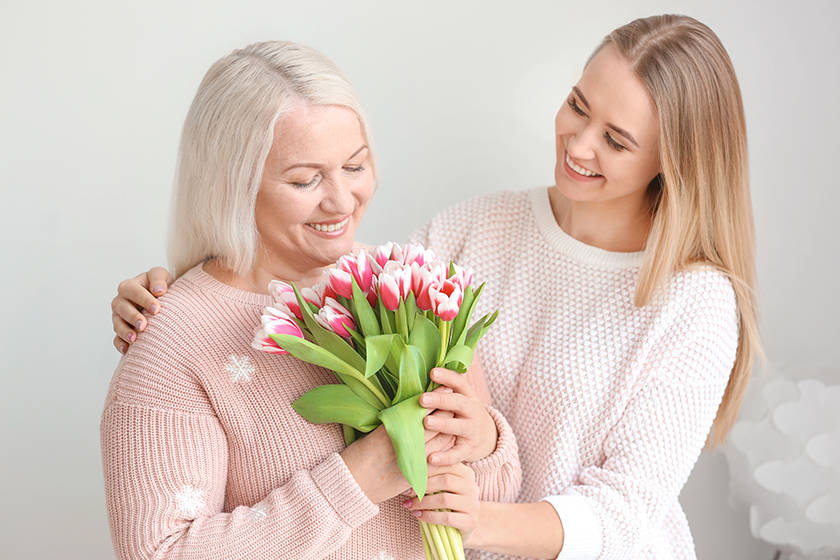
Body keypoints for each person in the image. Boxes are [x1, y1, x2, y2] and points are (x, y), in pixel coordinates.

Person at [111, 14, 760, 560]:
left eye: (616, 140)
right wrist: (174, 297)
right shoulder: (477, 228)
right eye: (577, 106)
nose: (578, 144)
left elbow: (624, 508)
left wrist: (478, 504)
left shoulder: (693, 301)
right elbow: (325, 277)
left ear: (673, 161)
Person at [100, 40, 521, 560]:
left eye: (355, 166)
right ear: (234, 185)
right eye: (306, 179)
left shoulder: (407, 285)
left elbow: (495, 497)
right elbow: (160, 553)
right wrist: (355, 482)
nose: (342, 201)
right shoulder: (169, 343)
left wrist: (483, 444)